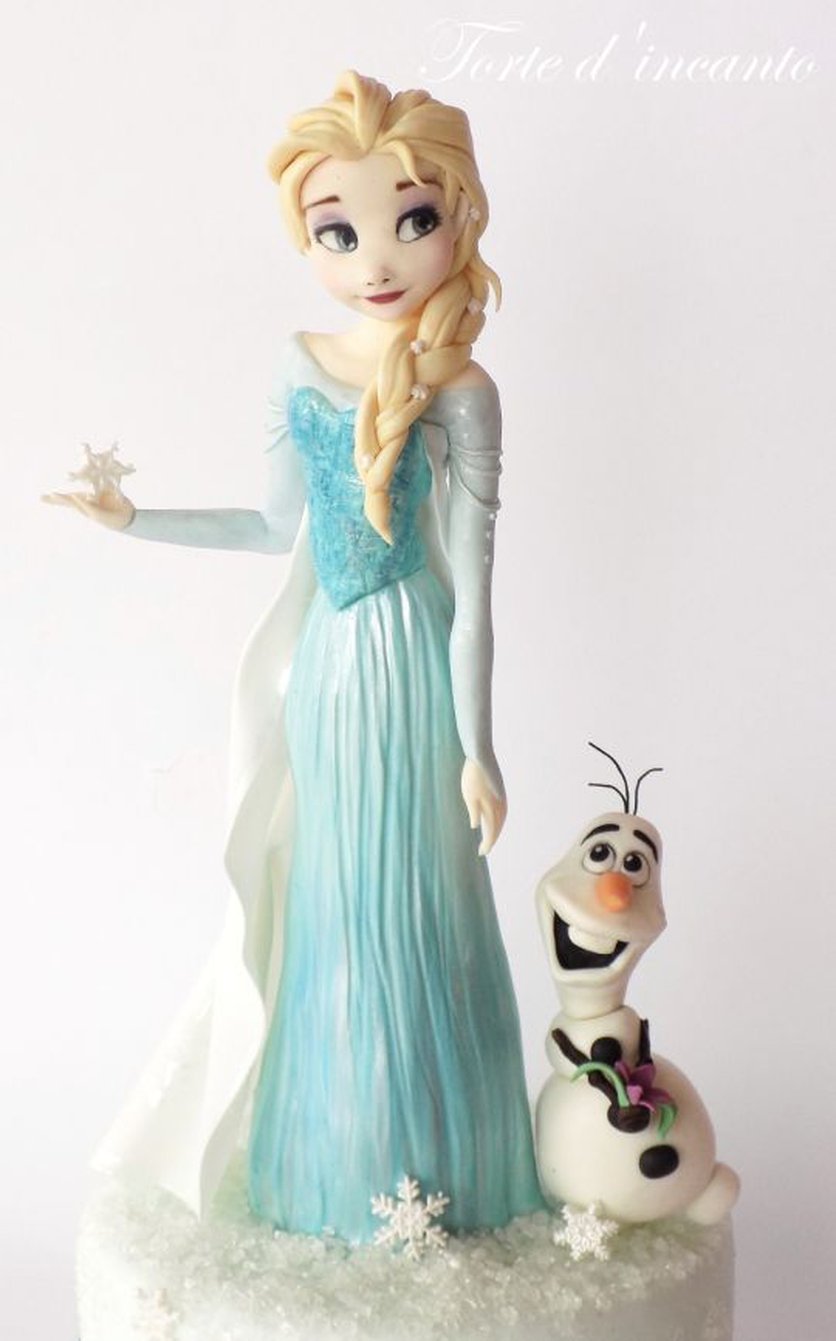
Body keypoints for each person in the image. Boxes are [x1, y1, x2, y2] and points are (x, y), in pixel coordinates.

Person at [45, 70, 544, 1242]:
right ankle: (328, 1171)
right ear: (305, 238)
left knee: (420, 905)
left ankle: (437, 1171)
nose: (375, 258)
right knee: (330, 899)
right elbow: (276, 527)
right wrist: (137, 520)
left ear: (460, 215)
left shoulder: (464, 390)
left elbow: (474, 597)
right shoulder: (297, 360)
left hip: (413, 671)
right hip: (328, 673)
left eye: (410, 219)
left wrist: (477, 749)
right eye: (337, 231)